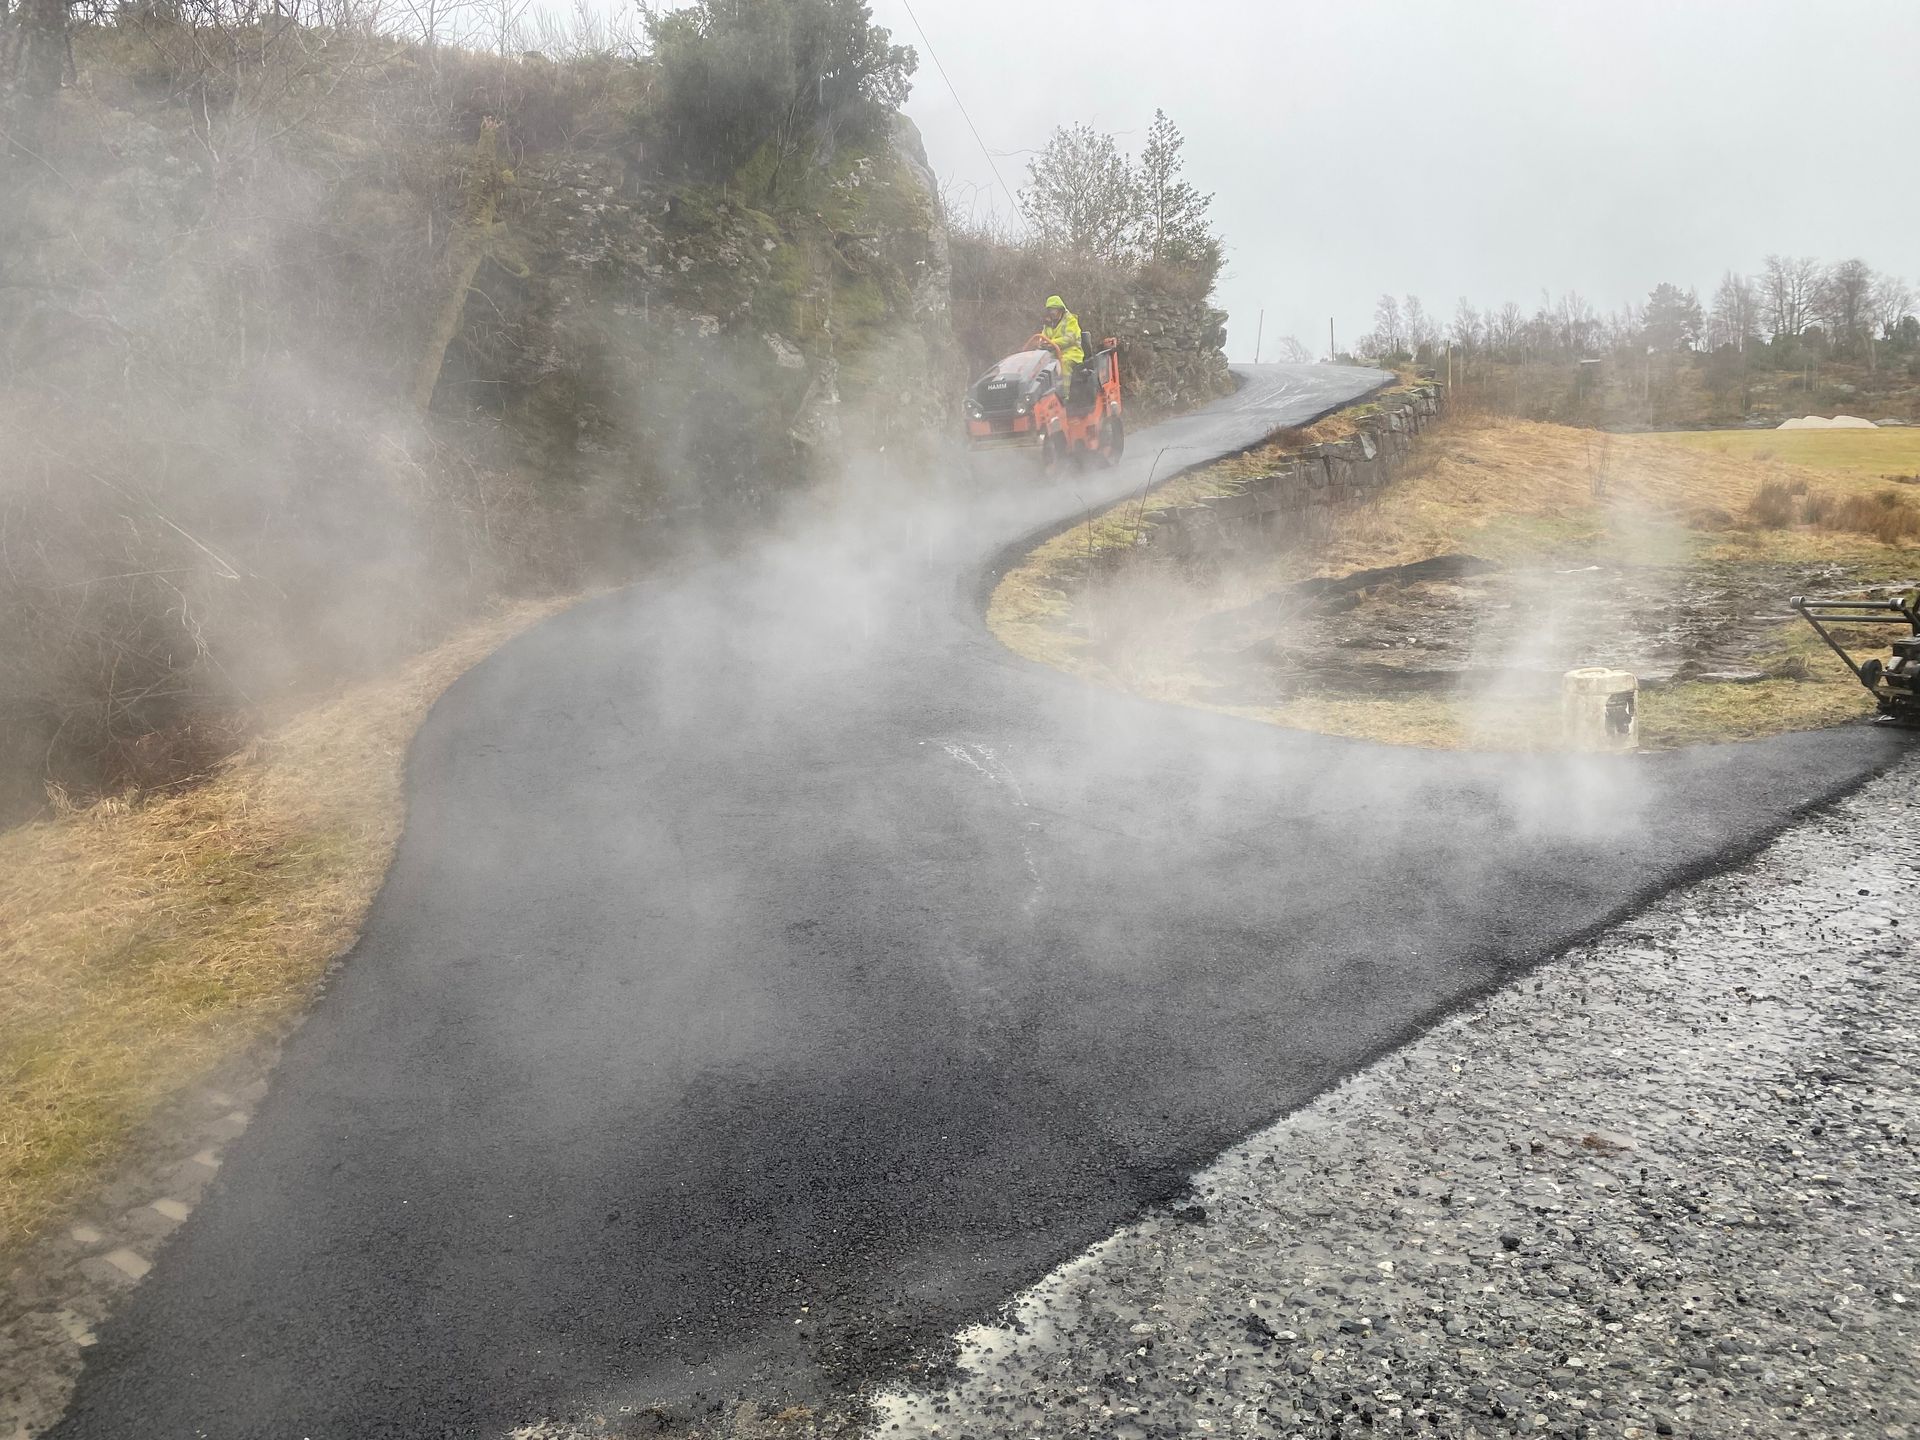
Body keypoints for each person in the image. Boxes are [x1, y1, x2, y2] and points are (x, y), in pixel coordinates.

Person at [1039, 295, 1084, 395]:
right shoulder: (1047, 324)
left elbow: (1070, 338)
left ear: (1060, 309)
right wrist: (1041, 343)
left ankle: (1064, 396)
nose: (1052, 312)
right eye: (1050, 310)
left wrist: (1052, 343)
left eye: (1054, 309)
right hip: (1053, 354)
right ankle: (1043, 397)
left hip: (1072, 352)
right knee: (1039, 366)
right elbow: (1043, 337)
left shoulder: (1070, 320)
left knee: (1063, 364)